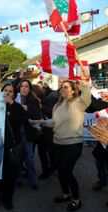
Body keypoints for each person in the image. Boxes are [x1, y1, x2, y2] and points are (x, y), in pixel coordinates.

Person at [42, 80, 91, 211]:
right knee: (60, 172)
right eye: (61, 87)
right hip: (58, 142)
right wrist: (42, 122)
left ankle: (76, 199)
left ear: (73, 90)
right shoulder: (57, 105)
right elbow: (54, 121)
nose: (62, 89)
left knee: (67, 172)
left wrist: (85, 83)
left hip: (73, 143)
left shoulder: (79, 103)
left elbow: (87, 98)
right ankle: (65, 194)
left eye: (66, 87)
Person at [0, 83, 28, 212]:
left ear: (14, 95)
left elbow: (23, 119)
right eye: (5, 90)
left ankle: (7, 200)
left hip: (11, 149)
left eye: (10, 91)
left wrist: (12, 104)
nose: (7, 93)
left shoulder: (17, 107)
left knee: (10, 178)